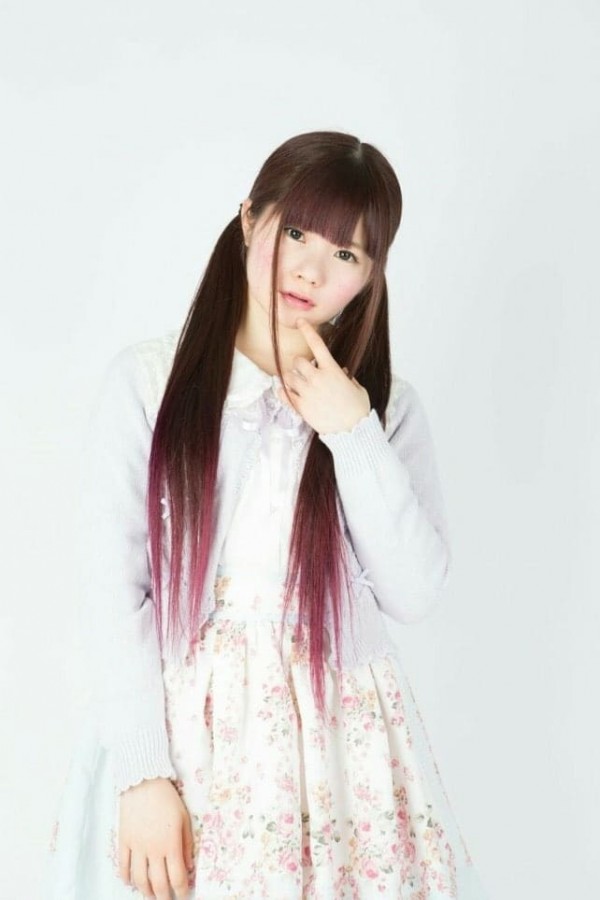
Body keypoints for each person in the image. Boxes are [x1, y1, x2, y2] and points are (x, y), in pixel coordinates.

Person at [45, 130, 488, 898]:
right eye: (297, 233)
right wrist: (144, 774)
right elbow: (110, 589)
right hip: (185, 744)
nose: (313, 269)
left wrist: (352, 432)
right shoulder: (151, 384)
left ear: (371, 276)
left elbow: (415, 591)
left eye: (347, 253)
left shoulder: (384, 411)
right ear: (250, 219)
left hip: (341, 762)